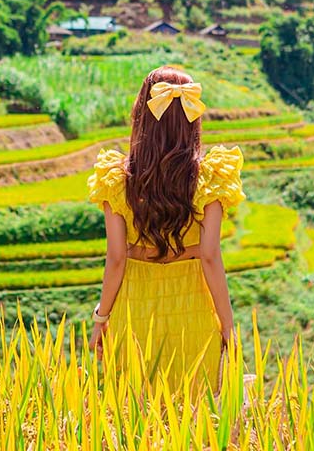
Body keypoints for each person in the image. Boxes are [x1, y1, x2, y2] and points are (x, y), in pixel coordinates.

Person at [87, 65, 244, 388]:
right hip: (193, 312)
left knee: (135, 423)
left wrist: (101, 319)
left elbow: (116, 258)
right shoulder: (210, 178)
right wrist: (228, 327)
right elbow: (211, 256)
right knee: (196, 424)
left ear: (141, 116)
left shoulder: (117, 179)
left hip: (134, 312)